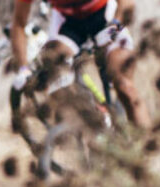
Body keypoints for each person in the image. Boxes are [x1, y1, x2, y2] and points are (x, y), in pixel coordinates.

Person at [10, 0, 151, 129]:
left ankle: (147, 143)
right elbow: (18, 23)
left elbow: (127, 4)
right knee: (54, 76)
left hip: (106, 16)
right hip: (68, 24)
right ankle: (89, 125)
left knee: (125, 88)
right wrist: (24, 68)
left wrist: (114, 29)